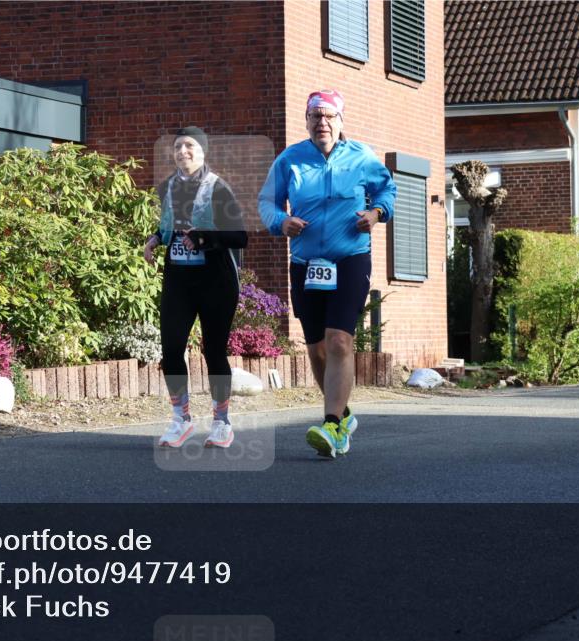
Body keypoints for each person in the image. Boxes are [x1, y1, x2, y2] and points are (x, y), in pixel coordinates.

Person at [258, 90, 397, 459]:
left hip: (350, 257)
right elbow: (266, 203)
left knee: (339, 341)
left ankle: (332, 425)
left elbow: (387, 189)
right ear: (306, 121)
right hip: (306, 263)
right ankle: (342, 412)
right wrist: (280, 222)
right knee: (316, 349)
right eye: (315, 116)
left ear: (340, 121)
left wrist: (376, 214)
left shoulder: (362, 157)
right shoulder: (290, 159)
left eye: (329, 116)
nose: (322, 123)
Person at [143, 126, 247, 448]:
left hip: (217, 281)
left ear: (203, 151)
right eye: (177, 147)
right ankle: (181, 418)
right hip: (180, 281)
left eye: (189, 146)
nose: (182, 152)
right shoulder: (167, 188)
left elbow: (239, 237)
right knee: (171, 350)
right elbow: (167, 227)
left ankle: (221, 422)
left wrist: (204, 237)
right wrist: (155, 239)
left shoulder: (219, 189)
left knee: (213, 351)